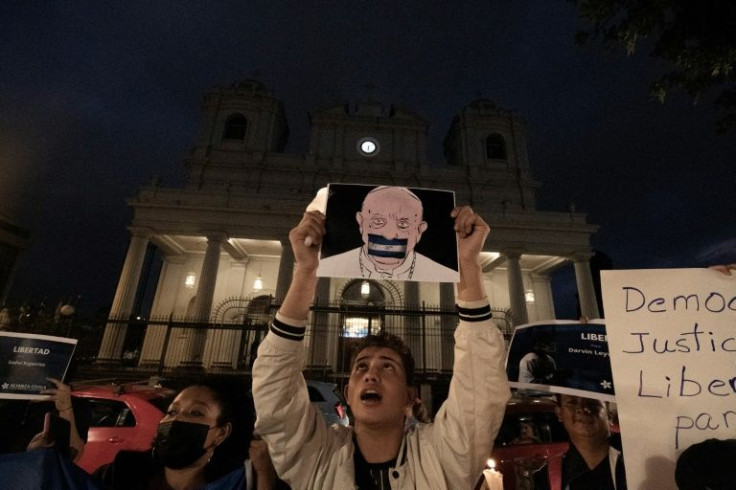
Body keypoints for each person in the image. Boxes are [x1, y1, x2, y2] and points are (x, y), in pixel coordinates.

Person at [252, 204, 511, 489]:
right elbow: (275, 393)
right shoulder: (317, 458)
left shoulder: (442, 458)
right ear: (348, 393)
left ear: (410, 397)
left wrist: (468, 267)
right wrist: (305, 272)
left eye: (387, 366)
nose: (370, 374)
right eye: (361, 366)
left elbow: (481, 389)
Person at [94, 377, 272, 490]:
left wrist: (265, 477)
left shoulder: (242, 482)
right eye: (172, 412)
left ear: (222, 433)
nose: (177, 420)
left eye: (196, 413)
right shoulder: (116, 475)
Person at [317, 186, 458, 281]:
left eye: (403, 224)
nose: (390, 235)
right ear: (361, 223)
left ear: (419, 230)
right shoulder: (328, 265)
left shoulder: (444, 274)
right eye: (378, 221)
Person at [556, 394, 627, 490]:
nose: (583, 408)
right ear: (559, 413)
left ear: (609, 415)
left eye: (592, 402)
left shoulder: (636, 457)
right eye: (572, 402)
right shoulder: (551, 475)